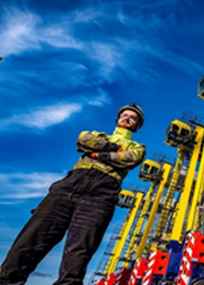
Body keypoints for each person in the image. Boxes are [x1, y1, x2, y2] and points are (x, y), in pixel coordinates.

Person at [0, 104, 147, 285]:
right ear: (117, 119)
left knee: (79, 252)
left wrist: (98, 155)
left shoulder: (137, 147)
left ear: (137, 126)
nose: (127, 119)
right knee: (31, 239)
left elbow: (131, 158)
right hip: (68, 187)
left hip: (101, 195)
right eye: (125, 115)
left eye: (133, 118)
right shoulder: (96, 134)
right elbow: (84, 140)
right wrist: (113, 149)